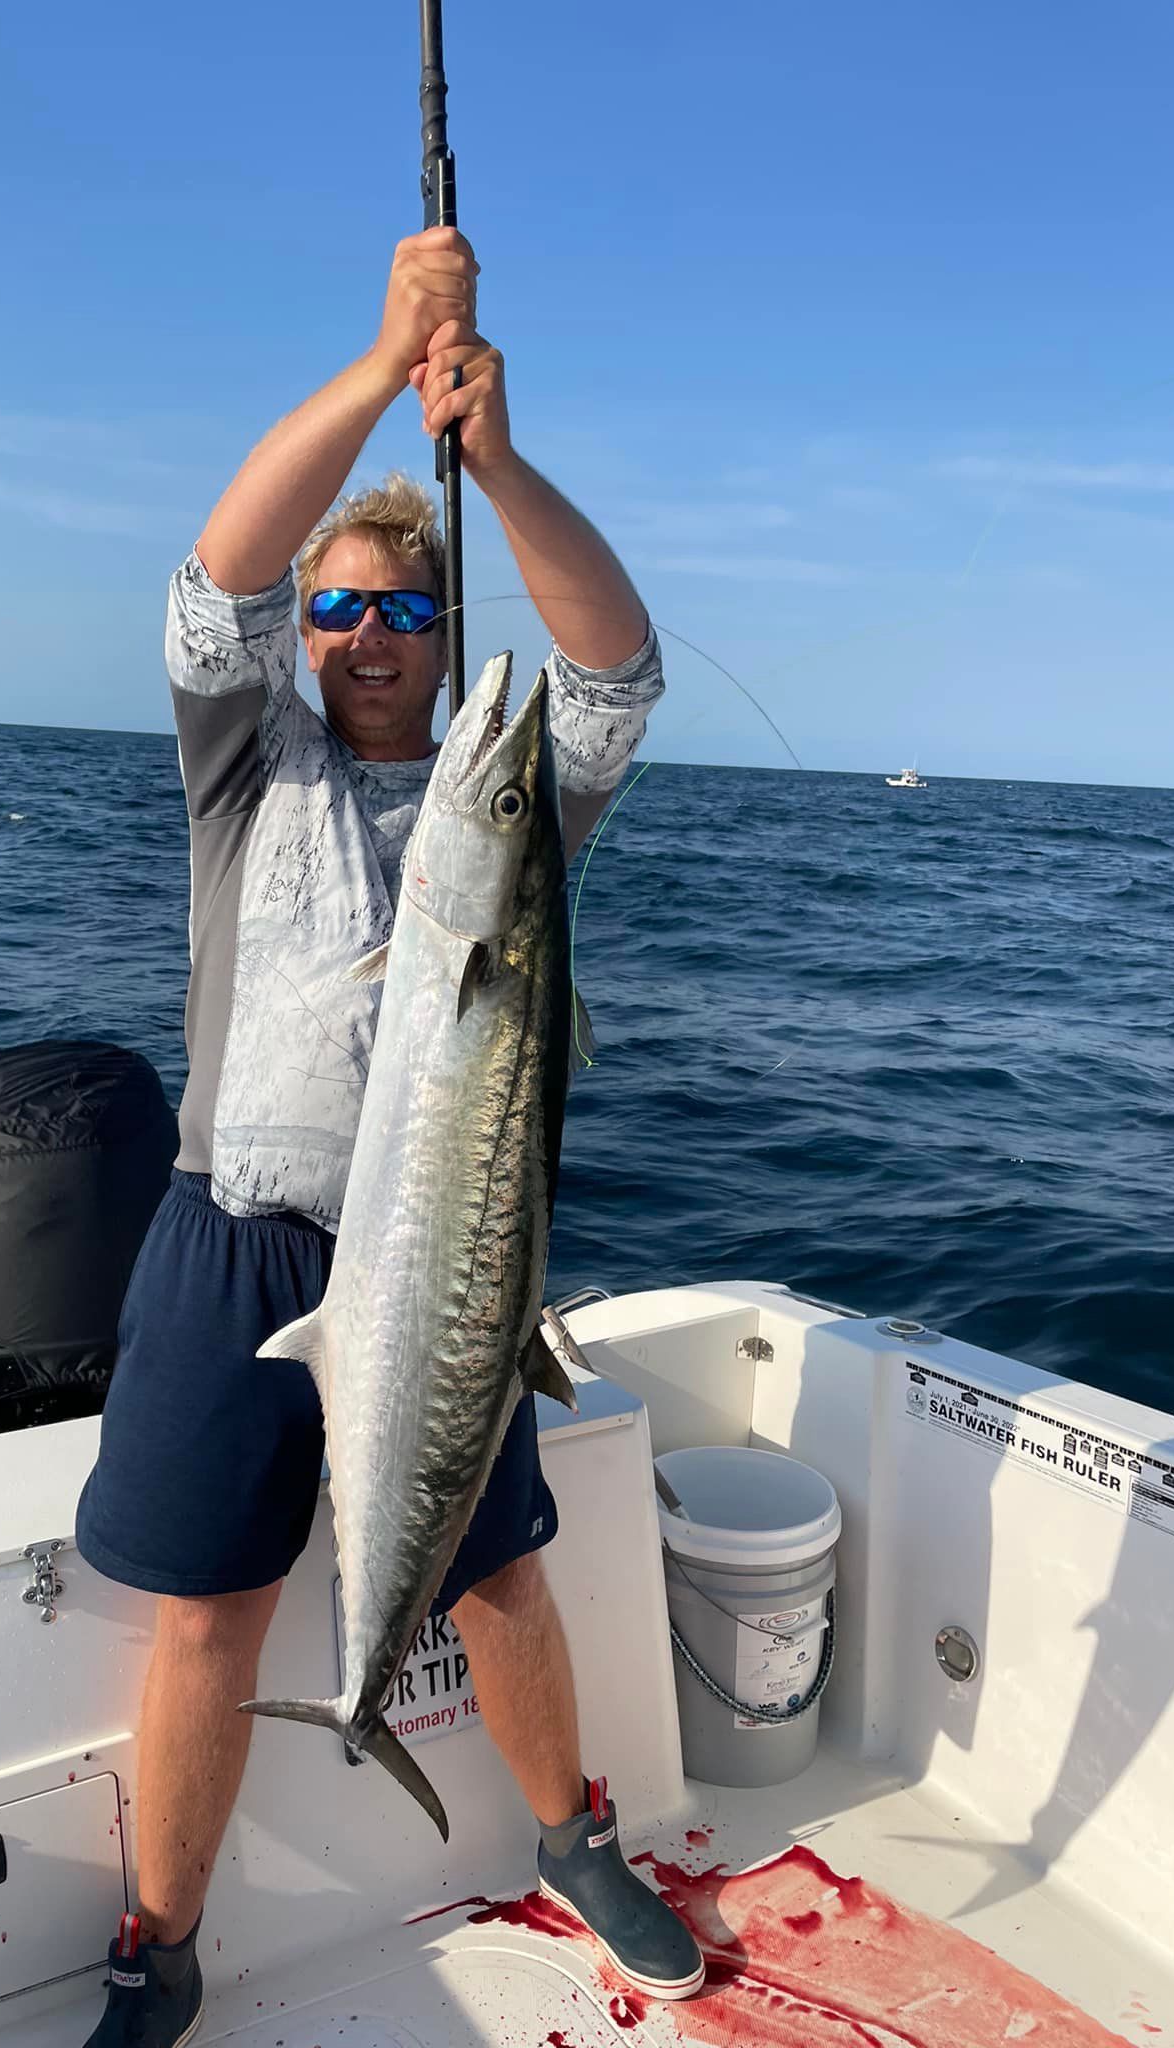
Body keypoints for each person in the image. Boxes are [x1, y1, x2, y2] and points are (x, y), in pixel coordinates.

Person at [74, 227, 704, 2048]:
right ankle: (161, 1943)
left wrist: (489, 459)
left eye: (404, 612)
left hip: (440, 1245)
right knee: (207, 1618)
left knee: (495, 1570)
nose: (362, 635)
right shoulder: (241, 759)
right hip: (235, 1234)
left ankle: (572, 1840)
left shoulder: (498, 811)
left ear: (443, 639)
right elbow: (215, 578)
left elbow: (617, 676)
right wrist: (379, 371)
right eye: (338, 608)